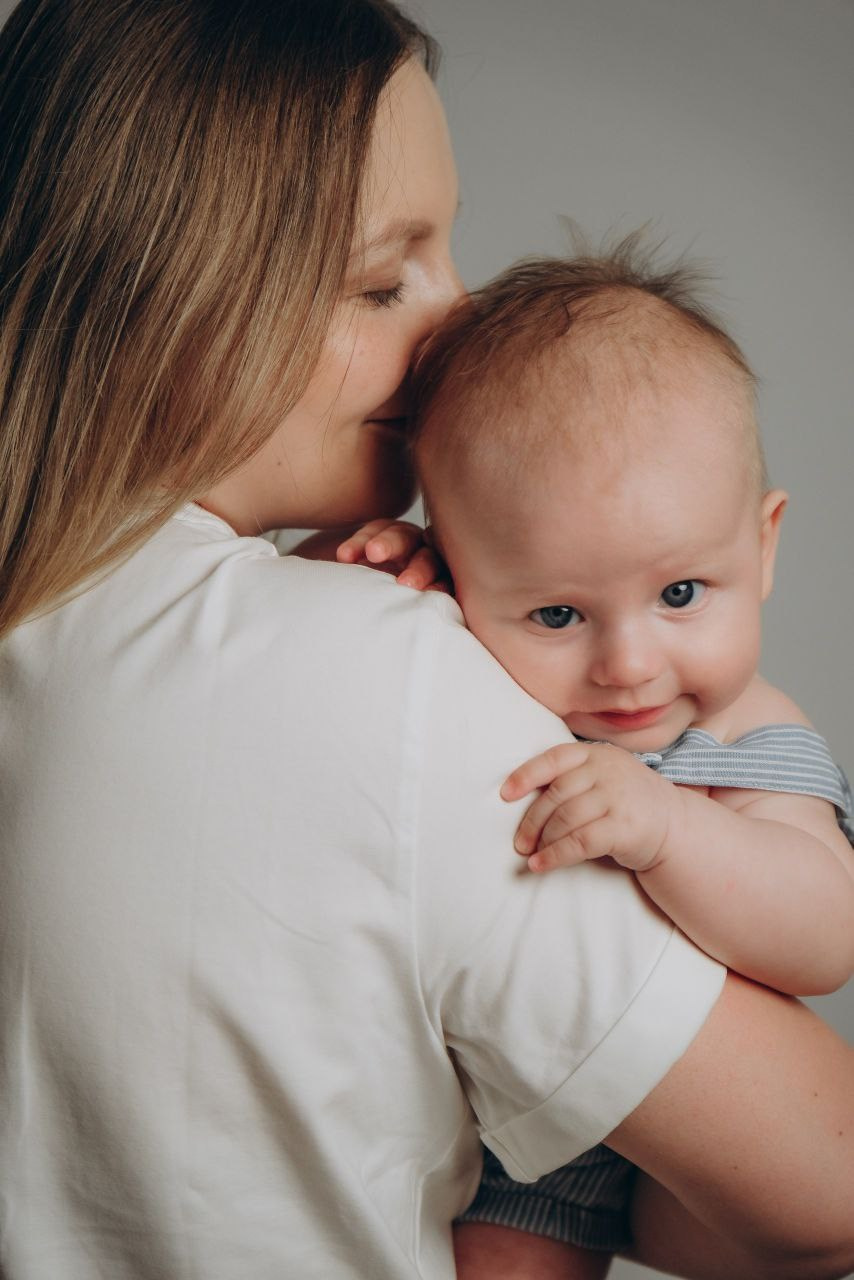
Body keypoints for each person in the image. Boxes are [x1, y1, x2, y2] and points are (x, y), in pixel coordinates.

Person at [0, 4, 852, 1279]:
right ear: (169, 295)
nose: (453, 319)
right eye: (380, 278)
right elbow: (822, 1183)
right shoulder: (375, 665)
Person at [391, 247, 854, 1275]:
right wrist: (392, 589)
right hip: (489, 1121)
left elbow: (823, 932)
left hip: (673, 1139)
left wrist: (670, 826)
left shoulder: (747, 736)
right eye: (555, 612)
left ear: (763, 543)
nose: (629, 664)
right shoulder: (473, 656)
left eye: (681, 592)